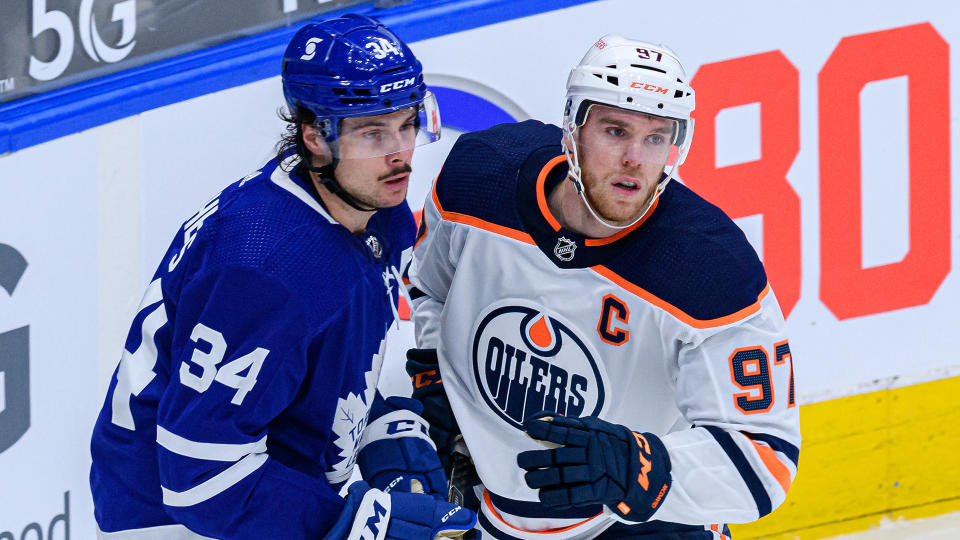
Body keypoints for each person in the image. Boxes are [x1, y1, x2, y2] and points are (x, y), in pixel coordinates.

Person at [89, 14, 476, 540]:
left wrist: (382, 427)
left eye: (408, 124)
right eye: (372, 132)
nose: (399, 153)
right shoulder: (264, 268)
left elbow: (306, 362)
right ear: (315, 133)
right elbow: (199, 476)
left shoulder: (370, 206)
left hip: (262, 492)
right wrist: (359, 523)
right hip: (178, 521)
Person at [405, 35, 800, 539]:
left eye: (656, 137)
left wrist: (644, 467)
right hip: (494, 511)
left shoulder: (709, 270)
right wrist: (438, 368)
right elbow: (429, 289)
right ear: (573, 128)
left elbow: (766, 464)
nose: (635, 158)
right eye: (616, 131)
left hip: (641, 525)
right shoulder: (480, 179)